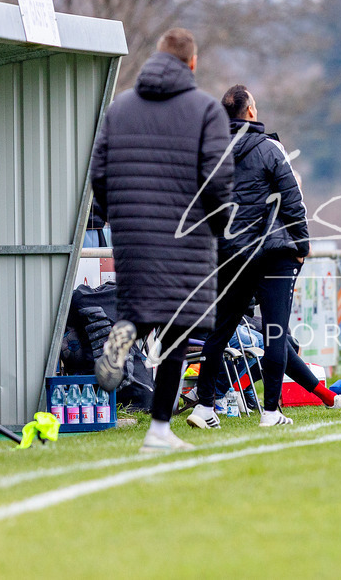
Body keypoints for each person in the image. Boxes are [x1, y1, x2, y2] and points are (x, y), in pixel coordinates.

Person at [90, 28, 233, 452]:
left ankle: (125, 330)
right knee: (178, 330)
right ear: (192, 63)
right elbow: (217, 179)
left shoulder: (120, 108)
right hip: (187, 238)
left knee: (140, 309)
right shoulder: (206, 109)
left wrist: (117, 214)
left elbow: (98, 172)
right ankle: (158, 430)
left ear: (156, 58)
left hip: (133, 232)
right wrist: (219, 223)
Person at [184, 85, 341, 430]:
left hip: (230, 255)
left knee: (219, 332)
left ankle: (204, 408)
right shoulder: (269, 148)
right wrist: (303, 244)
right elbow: (292, 200)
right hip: (272, 254)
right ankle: (271, 412)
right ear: (250, 111)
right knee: (275, 332)